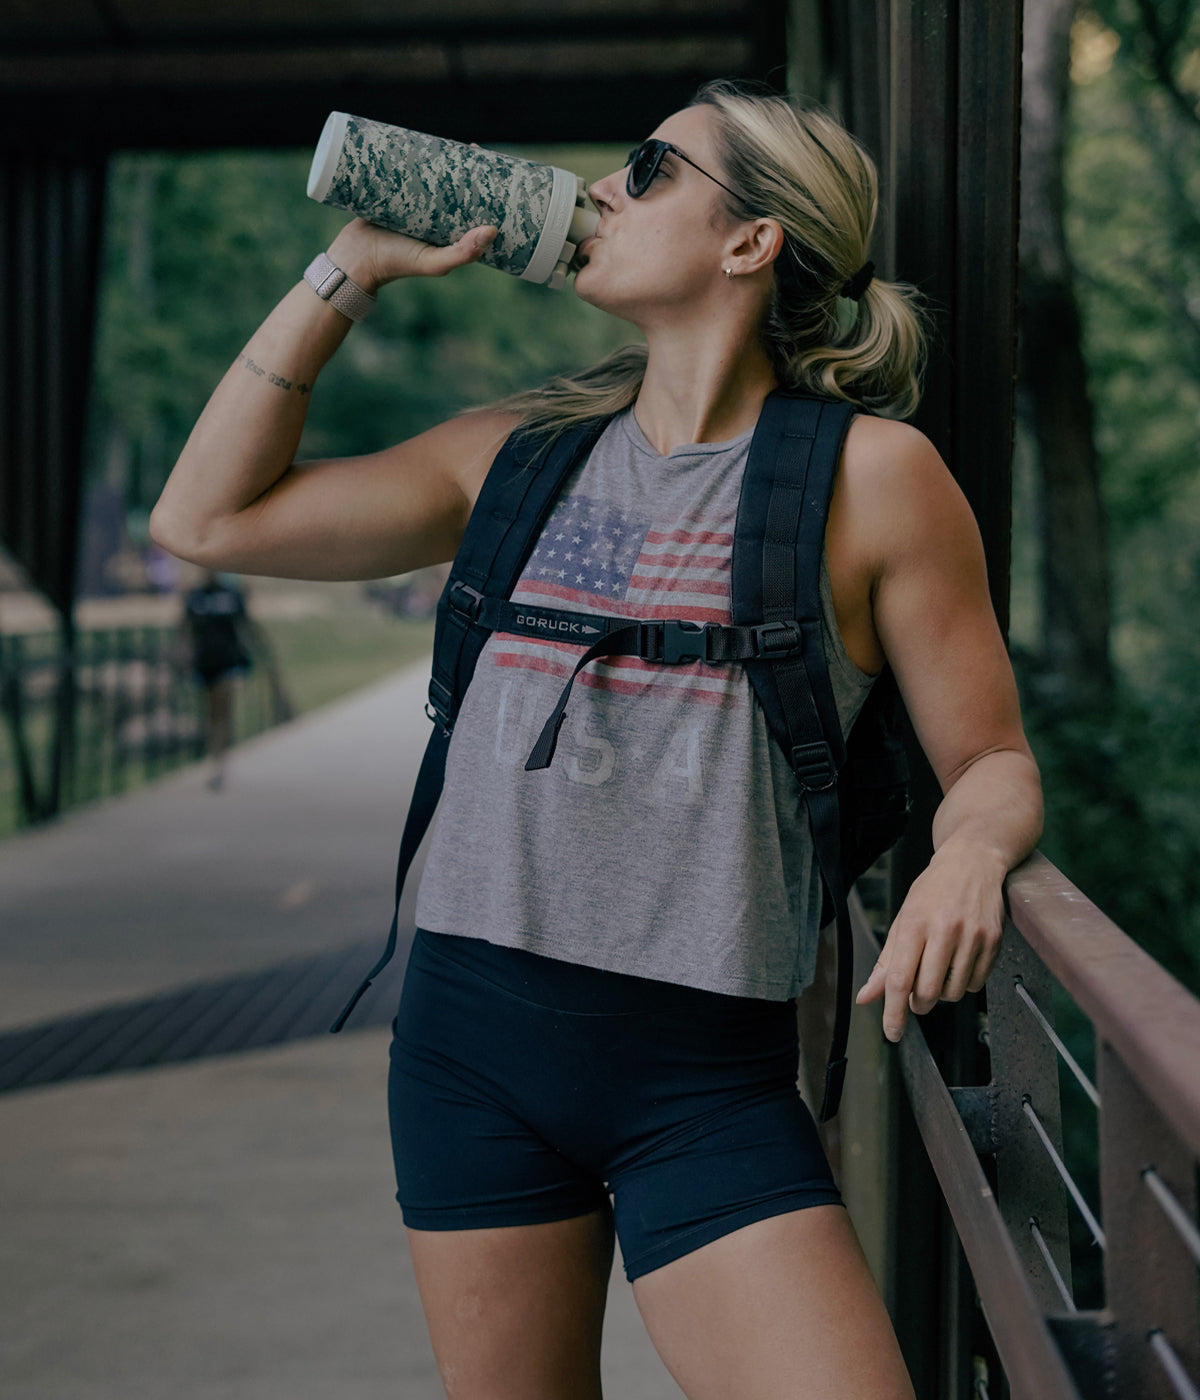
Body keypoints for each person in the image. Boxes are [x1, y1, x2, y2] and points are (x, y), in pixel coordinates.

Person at [151, 79, 1042, 1400]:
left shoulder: (870, 480)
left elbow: (992, 763)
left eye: (650, 167)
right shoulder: (519, 453)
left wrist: (968, 858)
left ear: (751, 241)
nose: (605, 191)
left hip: (703, 1077)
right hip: (467, 1050)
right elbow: (207, 522)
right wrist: (346, 273)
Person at [182, 570, 254, 789]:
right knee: (209, 714)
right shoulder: (194, 597)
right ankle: (212, 757)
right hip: (203, 662)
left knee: (222, 710)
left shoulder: (232, 595)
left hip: (227, 662)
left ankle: (220, 763)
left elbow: (245, 627)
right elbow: (185, 629)